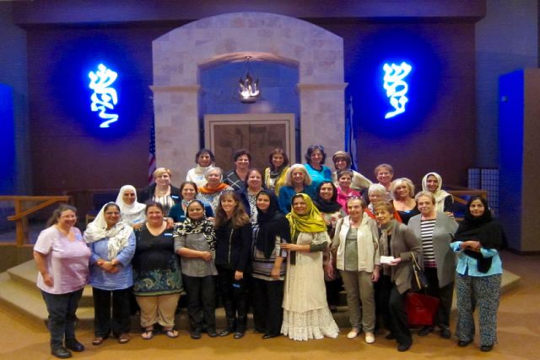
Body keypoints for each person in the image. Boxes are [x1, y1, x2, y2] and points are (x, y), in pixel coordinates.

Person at [33, 204, 90, 359]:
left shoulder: (77, 231)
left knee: (71, 314)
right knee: (58, 315)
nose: (71, 219)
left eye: (73, 216)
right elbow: (38, 254)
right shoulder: (49, 233)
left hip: (76, 281)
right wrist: (45, 273)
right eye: (67, 216)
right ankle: (56, 345)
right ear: (58, 217)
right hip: (55, 283)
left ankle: (71, 340)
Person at [280, 193, 339, 341]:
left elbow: (323, 244)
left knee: (312, 293)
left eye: (302, 203)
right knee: (296, 292)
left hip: (311, 263)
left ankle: (315, 325)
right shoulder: (288, 220)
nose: (299, 206)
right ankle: (296, 326)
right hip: (293, 265)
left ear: (308, 204)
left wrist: (297, 247)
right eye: (296, 204)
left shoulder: (317, 220)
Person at [451, 196, 506, 352]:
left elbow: (493, 249)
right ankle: (465, 336)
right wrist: (466, 244)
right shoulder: (464, 224)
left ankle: (487, 340)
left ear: (486, 207)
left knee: (487, 307)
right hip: (464, 270)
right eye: (473, 206)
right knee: (464, 306)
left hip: (488, 272)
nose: (476, 209)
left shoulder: (494, 226)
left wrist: (475, 248)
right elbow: (454, 244)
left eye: (479, 206)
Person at [84, 202, 136, 345]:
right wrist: (102, 263)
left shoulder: (127, 230)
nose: (113, 215)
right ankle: (101, 332)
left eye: (116, 213)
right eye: (109, 213)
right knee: (101, 304)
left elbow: (130, 249)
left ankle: (122, 331)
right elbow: (88, 249)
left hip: (121, 272)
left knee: (122, 304)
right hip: (100, 272)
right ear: (103, 214)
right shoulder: (92, 230)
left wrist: (113, 263)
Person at [408, 191, 458, 339]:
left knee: (445, 296)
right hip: (424, 266)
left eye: (427, 203)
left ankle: (444, 325)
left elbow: (459, 236)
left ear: (433, 204)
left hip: (444, 265)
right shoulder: (413, 220)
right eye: (420, 203)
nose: (424, 206)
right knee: (428, 295)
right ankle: (428, 324)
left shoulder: (446, 218)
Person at [373, 201, 421, 352]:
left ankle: (405, 338)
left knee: (395, 303)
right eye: (377, 213)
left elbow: (418, 250)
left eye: (383, 213)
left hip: (401, 272)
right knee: (382, 302)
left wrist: (401, 258)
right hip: (386, 272)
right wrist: (377, 267)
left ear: (391, 213)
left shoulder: (402, 229)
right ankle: (394, 330)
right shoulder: (380, 229)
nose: (380, 216)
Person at [332, 197, 380, 343]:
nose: (353, 210)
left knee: (367, 298)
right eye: (350, 207)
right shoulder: (342, 222)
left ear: (363, 208)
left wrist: (376, 267)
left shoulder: (370, 222)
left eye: (356, 207)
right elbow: (335, 244)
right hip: (346, 265)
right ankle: (355, 326)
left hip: (365, 266)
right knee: (351, 297)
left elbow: (377, 245)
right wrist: (331, 262)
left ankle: (368, 329)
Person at [132, 202, 183, 340]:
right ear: (146, 215)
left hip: (170, 274)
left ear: (163, 214)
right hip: (143, 275)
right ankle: (148, 327)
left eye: (157, 212)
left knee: (169, 302)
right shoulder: (137, 229)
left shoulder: (172, 228)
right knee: (146, 303)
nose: (154, 215)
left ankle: (168, 326)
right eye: (151, 213)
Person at [174, 200, 218, 339]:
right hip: (190, 269)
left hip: (210, 269)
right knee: (193, 300)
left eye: (198, 209)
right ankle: (196, 328)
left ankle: (210, 326)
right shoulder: (181, 227)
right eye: (192, 210)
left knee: (209, 300)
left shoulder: (212, 225)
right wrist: (201, 254)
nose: (195, 212)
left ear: (203, 210)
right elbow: (178, 248)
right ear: (187, 212)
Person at [213, 191, 252, 339]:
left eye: (229, 201)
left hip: (238, 268)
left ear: (236, 203)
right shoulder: (219, 221)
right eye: (224, 201)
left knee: (240, 297)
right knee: (226, 296)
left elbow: (246, 247)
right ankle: (230, 325)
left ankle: (241, 327)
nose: (226, 204)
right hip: (222, 266)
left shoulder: (243, 221)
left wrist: (240, 268)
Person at [251, 190, 290, 339]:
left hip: (273, 266)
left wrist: (277, 266)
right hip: (257, 266)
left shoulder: (279, 219)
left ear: (272, 201)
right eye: (259, 200)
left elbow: (283, 244)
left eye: (265, 200)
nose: (262, 202)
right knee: (260, 299)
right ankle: (261, 326)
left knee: (273, 300)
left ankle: (274, 329)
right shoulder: (258, 217)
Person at [312, 181, 346, 312]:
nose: (326, 191)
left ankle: (332, 301)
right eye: (323, 189)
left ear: (333, 192)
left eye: (329, 189)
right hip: (318, 245)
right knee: (318, 275)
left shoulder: (339, 208)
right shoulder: (313, 207)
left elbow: (345, 224)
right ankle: (320, 302)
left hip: (335, 245)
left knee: (333, 274)